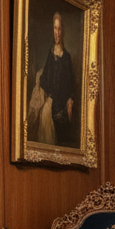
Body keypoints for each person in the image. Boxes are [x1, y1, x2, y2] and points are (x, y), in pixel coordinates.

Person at [40, 11, 78, 147]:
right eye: (55, 29)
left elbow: (71, 84)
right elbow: (44, 79)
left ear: (63, 31)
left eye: (59, 29)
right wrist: (46, 98)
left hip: (62, 108)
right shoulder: (50, 55)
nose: (57, 32)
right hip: (51, 106)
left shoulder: (66, 57)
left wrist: (70, 101)